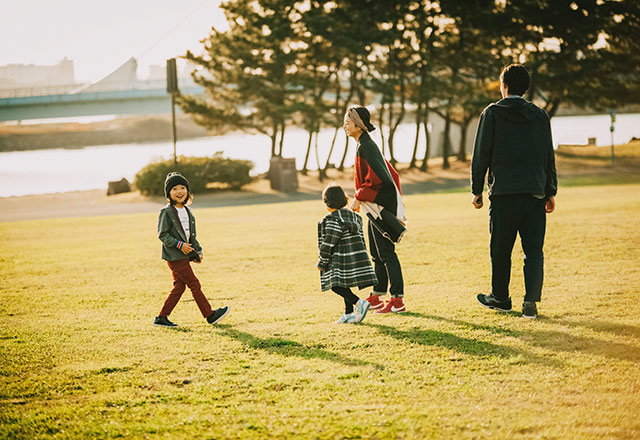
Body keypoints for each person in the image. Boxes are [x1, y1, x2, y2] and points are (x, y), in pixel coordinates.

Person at [470, 64, 558, 319]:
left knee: (500, 248)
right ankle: (530, 303)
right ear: (526, 87)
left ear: (503, 85)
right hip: (534, 192)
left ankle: (500, 297)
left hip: (504, 193)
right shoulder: (540, 115)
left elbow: (481, 154)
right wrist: (550, 190)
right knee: (533, 251)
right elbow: (547, 156)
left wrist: (477, 190)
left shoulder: (492, 113)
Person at [344, 106, 408, 314]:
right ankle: (377, 296)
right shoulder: (363, 145)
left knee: (387, 254)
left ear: (358, 124)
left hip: (379, 208)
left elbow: (381, 180)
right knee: (377, 254)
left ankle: (397, 300)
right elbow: (392, 174)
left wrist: (359, 197)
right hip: (374, 208)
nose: (345, 125)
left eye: (348, 121)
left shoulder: (366, 146)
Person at [153, 172, 229, 327]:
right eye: (174, 189)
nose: (179, 191)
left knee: (179, 287)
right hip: (174, 256)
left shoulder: (188, 211)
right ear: (168, 193)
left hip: (184, 255)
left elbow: (190, 236)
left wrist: (198, 250)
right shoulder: (166, 212)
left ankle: (161, 317)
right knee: (194, 284)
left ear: (187, 191)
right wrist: (179, 245)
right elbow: (163, 235)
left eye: (182, 188)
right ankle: (210, 315)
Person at [317, 184, 377, 324]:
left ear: (327, 203)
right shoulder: (355, 217)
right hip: (354, 257)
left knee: (336, 285)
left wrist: (322, 261)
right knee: (343, 284)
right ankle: (349, 313)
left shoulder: (332, 219)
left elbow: (329, 243)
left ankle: (358, 303)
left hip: (340, 259)